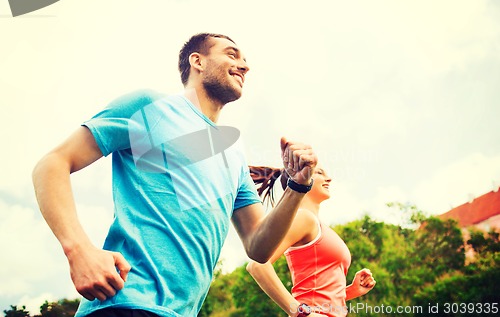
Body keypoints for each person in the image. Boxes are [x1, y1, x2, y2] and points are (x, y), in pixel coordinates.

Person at [32, 33, 318, 317]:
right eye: (232, 54)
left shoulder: (233, 154)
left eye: (245, 60)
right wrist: (79, 251)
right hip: (126, 304)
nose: (244, 66)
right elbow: (53, 163)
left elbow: (259, 247)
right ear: (198, 61)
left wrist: (297, 186)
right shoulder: (149, 106)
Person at [247, 166, 376, 317]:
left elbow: (316, 293)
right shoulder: (304, 218)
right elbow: (257, 265)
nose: (329, 178)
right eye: (320, 173)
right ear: (300, 179)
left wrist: (351, 291)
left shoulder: (319, 225)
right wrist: (300, 312)